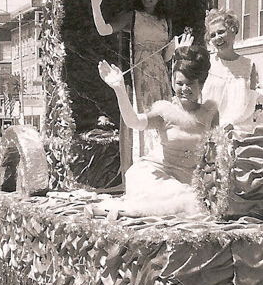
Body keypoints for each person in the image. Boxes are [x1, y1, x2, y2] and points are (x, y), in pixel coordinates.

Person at [91, 44, 218, 219]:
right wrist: (119, 89)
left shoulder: (210, 113)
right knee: (183, 199)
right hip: (154, 176)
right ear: (173, 82)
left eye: (190, 84)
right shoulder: (164, 111)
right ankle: (118, 211)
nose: (184, 89)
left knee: (193, 201)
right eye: (179, 83)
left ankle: (118, 210)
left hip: (186, 181)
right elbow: (133, 121)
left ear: (201, 83)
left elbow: (214, 154)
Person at [90, 0, 192, 166]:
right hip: (141, 74)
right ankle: (145, 161)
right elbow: (104, 30)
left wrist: (175, 46)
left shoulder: (165, 21)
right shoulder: (133, 16)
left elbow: (166, 57)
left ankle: (165, 159)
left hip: (160, 74)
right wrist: (96, 6)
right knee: (144, 114)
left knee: (162, 114)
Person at [200, 8, 263, 129]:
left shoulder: (249, 65)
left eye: (221, 32)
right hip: (208, 128)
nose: (217, 37)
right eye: (213, 35)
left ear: (232, 30)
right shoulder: (207, 63)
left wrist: (231, 124)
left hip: (238, 129)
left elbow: (250, 104)